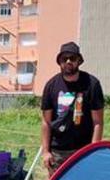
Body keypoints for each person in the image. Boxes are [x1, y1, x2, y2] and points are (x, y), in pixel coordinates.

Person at [40, 41, 104, 173]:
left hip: (83, 150)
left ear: (79, 61)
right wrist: (46, 152)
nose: (68, 61)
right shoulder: (51, 86)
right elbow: (46, 122)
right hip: (58, 151)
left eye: (72, 58)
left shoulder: (92, 84)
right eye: (64, 58)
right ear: (60, 62)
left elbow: (98, 122)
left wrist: (93, 150)